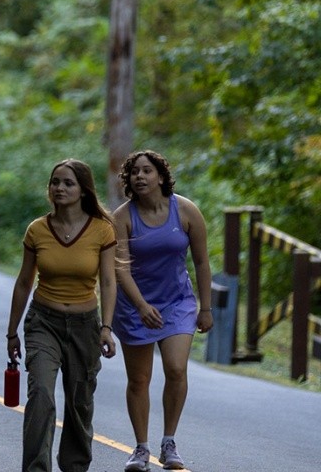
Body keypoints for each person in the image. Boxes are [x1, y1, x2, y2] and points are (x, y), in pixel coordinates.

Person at [6, 159, 118, 472]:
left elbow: (108, 282)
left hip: (86, 326)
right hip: (44, 322)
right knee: (41, 393)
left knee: (79, 403)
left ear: (83, 190)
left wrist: (106, 328)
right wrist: (12, 332)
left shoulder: (101, 230)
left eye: (68, 183)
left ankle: (75, 466)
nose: (60, 188)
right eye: (55, 182)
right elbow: (24, 282)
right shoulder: (38, 230)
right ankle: (36, 468)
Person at [112, 151, 213, 472]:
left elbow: (201, 262)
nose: (139, 177)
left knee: (176, 369)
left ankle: (169, 441)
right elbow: (121, 269)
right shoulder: (123, 217)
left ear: (160, 176)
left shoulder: (185, 211)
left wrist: (206, 307)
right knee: (139, 379)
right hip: (134, 306)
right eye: (134, 173)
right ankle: (140, 449)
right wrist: (141, 305)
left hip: (177, 303)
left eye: (146, 171)